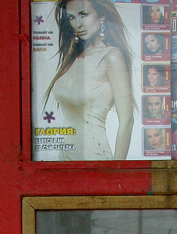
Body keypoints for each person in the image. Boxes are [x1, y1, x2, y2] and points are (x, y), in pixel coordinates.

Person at [44, 0, 137, 161]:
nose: (78, 24)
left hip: (95, 158)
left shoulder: (112, 57)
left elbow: (127, 121)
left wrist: (117, 170)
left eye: (84, 14)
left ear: (102, 15)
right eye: (72, 17)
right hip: (65, 157)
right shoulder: (72, 58)